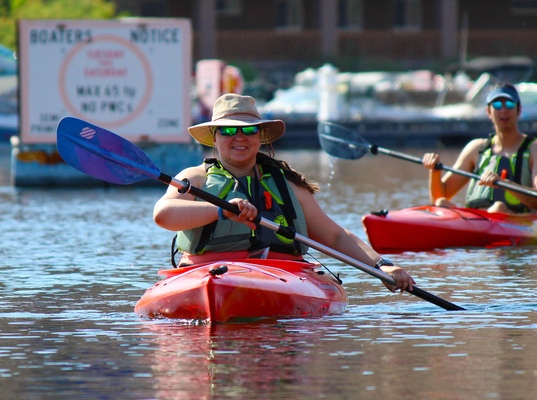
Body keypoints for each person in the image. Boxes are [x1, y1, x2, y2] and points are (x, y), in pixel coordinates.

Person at [153, 93, 415, 293]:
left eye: (249, 129)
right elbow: (163, 214)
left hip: (282, 274)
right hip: (205, 274)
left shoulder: (288, 185)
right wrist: (222, 210)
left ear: (260, 136)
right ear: (215, 137)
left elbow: (335, 236)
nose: (240, 137)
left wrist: (381, 265)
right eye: (229, 130)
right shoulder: (194, 178)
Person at [422, 83, 537, 214]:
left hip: (517, 219)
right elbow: (438, 197)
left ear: (519, 110)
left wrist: (506, 184)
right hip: (475, 220)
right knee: (441, 203)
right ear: (489, 112)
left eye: (510, 104)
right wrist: (434, 171)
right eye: (497, 105)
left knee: (498, 207)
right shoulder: (476, 148)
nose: (503, 110)